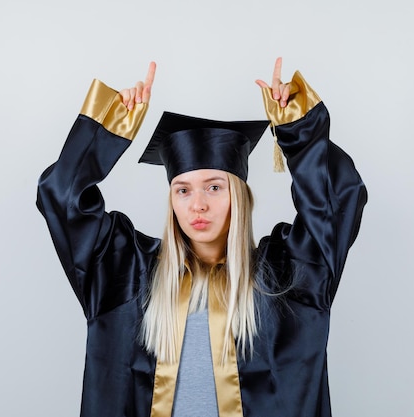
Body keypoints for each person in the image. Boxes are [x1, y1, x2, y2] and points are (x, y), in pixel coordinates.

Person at [37, 58, 367, 417]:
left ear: (238, 196)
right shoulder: (126, 273)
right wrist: (108, 132)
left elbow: (336, 204)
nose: (198, 205)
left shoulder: (288, 277)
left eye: (214, 187)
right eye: (182, 190)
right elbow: (61, 196)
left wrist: (297, 129)